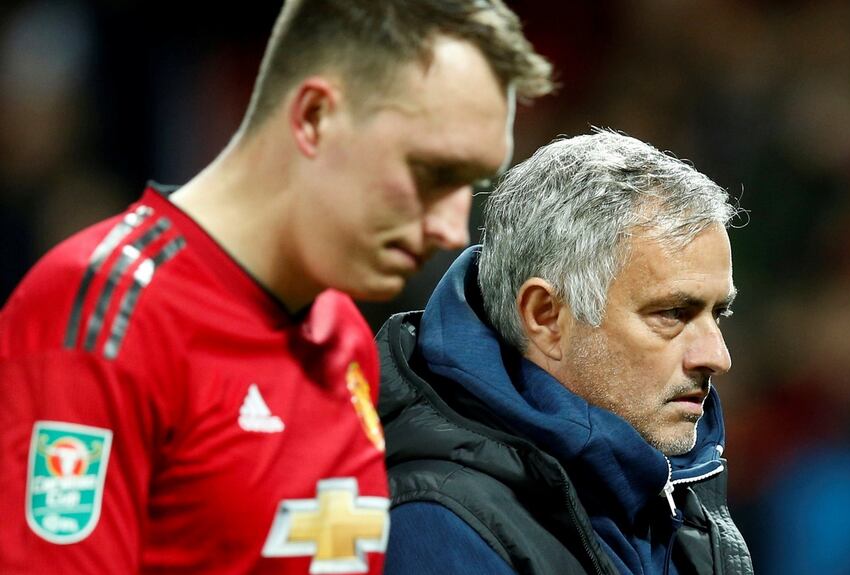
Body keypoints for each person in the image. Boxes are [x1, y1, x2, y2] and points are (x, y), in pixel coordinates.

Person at [0, 1, 552, 574]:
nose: (450, 230)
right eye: (432, 173)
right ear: (313, 116)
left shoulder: (343, 334)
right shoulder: (104, 318)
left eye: (471, 185)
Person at [378, 130, 753, 575]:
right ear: (546, 317)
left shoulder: (679, 495)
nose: (717, 356)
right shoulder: (438, 526)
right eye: (673, 313)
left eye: (719, 314)